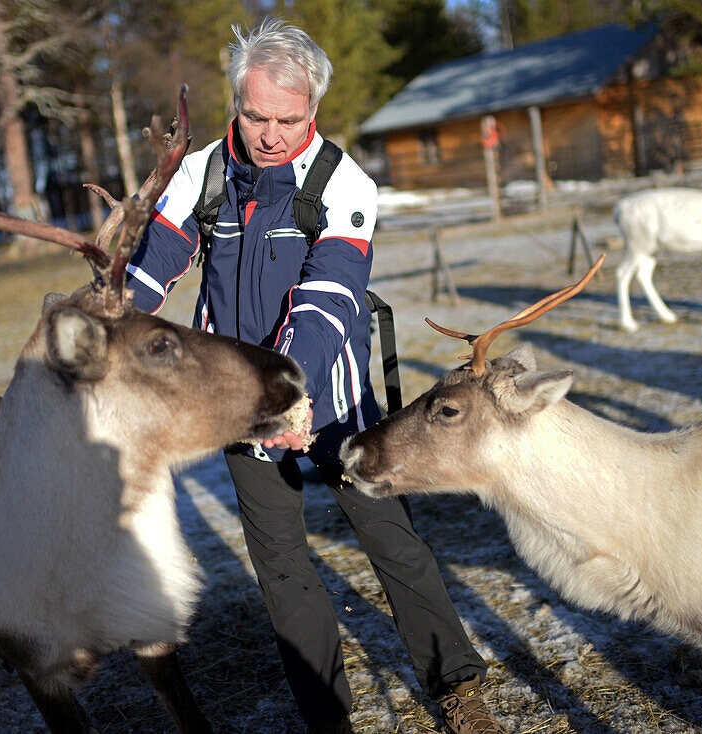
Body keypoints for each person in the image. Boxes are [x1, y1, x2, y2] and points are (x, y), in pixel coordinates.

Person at [127, 18, 508, 734]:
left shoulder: (343, 181)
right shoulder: (201, 171)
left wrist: (294, 390)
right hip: (237, 406)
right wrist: (109, 314)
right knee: (282, 566)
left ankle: (455, 685)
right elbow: (155, 264)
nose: (270, 134)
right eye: (254, 115)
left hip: (330, 403)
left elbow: (332, 293)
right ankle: (326, 714)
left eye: (288, 119)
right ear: (235, 102)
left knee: (392, 540)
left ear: (315, 111)